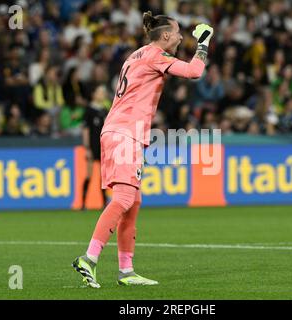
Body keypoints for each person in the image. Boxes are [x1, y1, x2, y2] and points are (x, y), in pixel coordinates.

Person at [72, 11, 213, 288]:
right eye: (178, 32)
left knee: (133, 203)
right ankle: (89, 258)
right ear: (165, 36)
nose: (182, 36)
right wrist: (204, 43)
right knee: (124, 199)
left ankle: (126, 271)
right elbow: (194, 72)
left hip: (120, 131)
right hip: (125, 133)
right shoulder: (154, 56)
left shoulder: (137, 55)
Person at [81, 85, 109, 210]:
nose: (102, 94)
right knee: (89, 174)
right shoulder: (89, 110)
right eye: (100, 92)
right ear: (94, 94)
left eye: (103, 92)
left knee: (103, 176)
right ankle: (83, 203)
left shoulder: (105, 110)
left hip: (103, 146)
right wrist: (87, 147)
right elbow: (86, 130)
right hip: (92, 146)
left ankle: (104, 203)